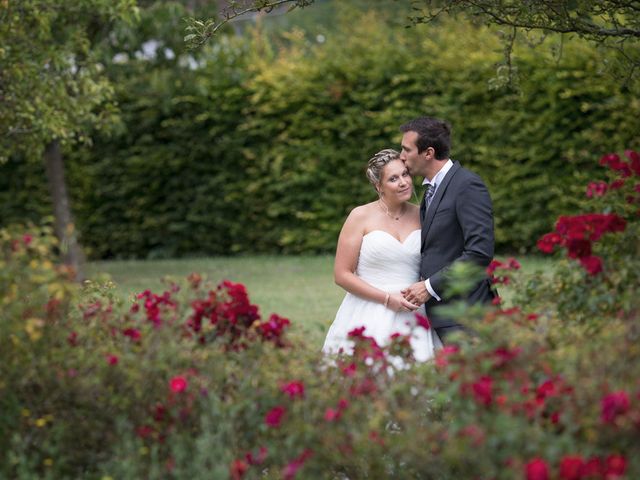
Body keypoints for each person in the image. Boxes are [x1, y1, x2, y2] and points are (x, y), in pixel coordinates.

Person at [322, 149, 440, 361]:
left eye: (405, 174)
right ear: (379, 186)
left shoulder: (423, 214)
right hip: (369, 309)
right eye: (393, 179)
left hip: (414, 310)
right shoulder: (360, 216)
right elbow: (342, 274)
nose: (404, 182)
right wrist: (386, 299)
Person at [399, 117, 496, 343]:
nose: (401, 156)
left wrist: (430, 286)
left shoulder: (467, 185)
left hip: (466, 314)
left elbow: (479, 252)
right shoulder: (431, 190)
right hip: (440, 314)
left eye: (406, 149)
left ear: (428, 153)